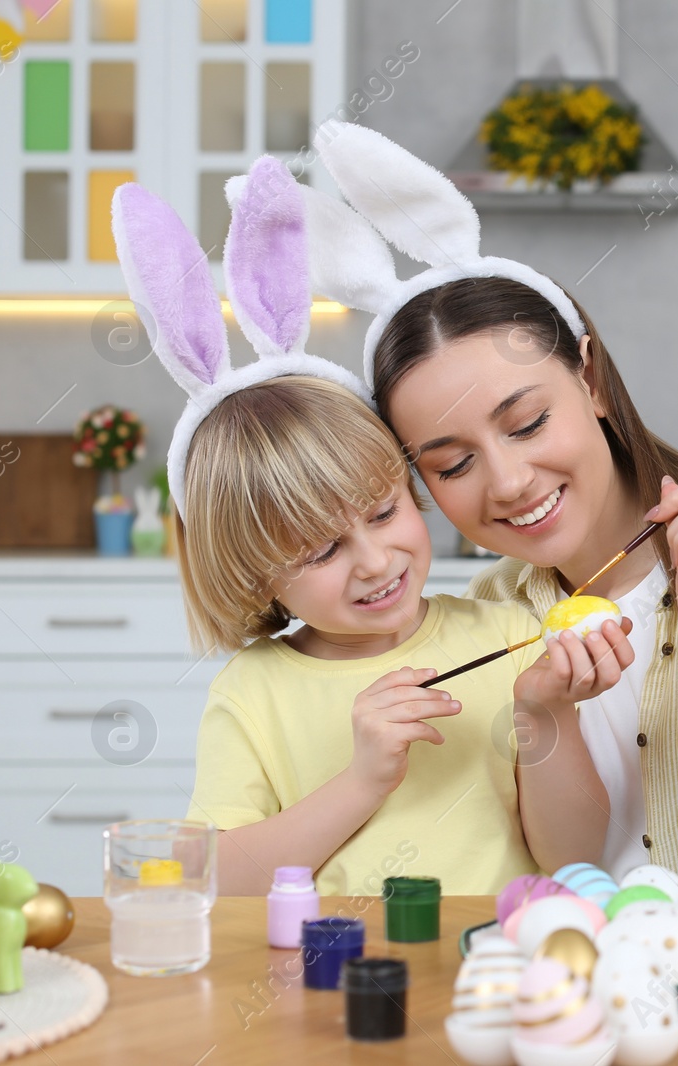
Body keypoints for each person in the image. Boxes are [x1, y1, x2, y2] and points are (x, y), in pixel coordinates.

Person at [304, 123, 678, 889]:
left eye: (527, 423)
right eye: (452, 463)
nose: (506, 482)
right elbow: (523, 871)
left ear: (591, 381)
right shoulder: (485, 614)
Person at [114, 156, 628, 896]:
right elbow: (218, 884)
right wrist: (361, 781)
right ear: (256, 573)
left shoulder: (508, 635)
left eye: (384, 512)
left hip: (498, 967)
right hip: (331, 991)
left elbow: (574, 858)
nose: (373, 560)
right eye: (321, 550)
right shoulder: (253, 694)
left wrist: (545, 712)